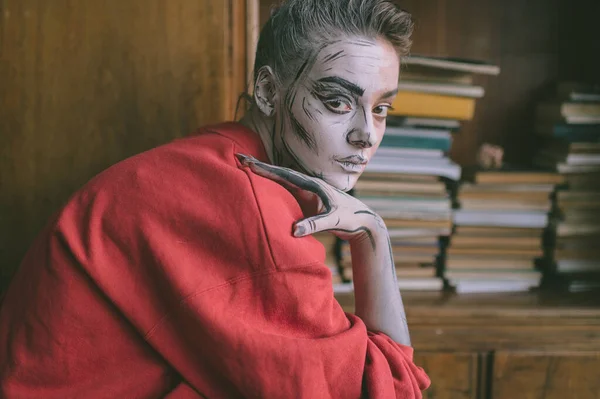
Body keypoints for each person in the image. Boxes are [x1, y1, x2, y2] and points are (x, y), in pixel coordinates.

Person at [0, 0, 430, 397]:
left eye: (381, 109)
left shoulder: (214, 157)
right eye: (337, 102)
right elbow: (391, 389)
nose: (367, 135)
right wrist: (372, 236)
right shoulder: (248, 204)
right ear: (267, 92)